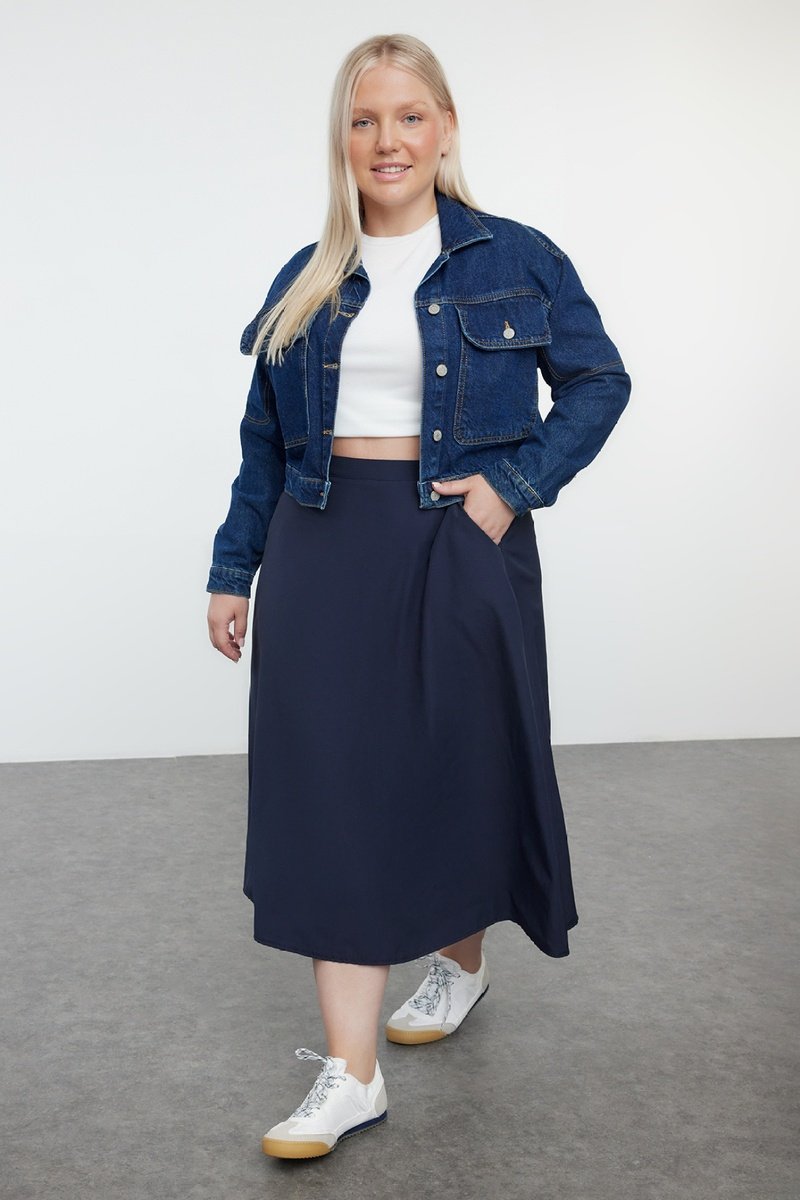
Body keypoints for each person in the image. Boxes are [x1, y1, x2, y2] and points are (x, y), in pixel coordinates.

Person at [206, 32, 631, 1160]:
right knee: (328, 793)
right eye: (363, 120)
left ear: (444, 128)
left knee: (459, 768)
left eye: (406, 116)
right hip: (321, 545)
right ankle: (352, 1074)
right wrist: (232, 569)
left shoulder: (516, 257)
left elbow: (599, 379)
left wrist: (512, 487)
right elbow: (263, 445)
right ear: (341, 140)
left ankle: (459, 962)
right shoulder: (306, 277)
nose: (385, 140)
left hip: (458, 540)